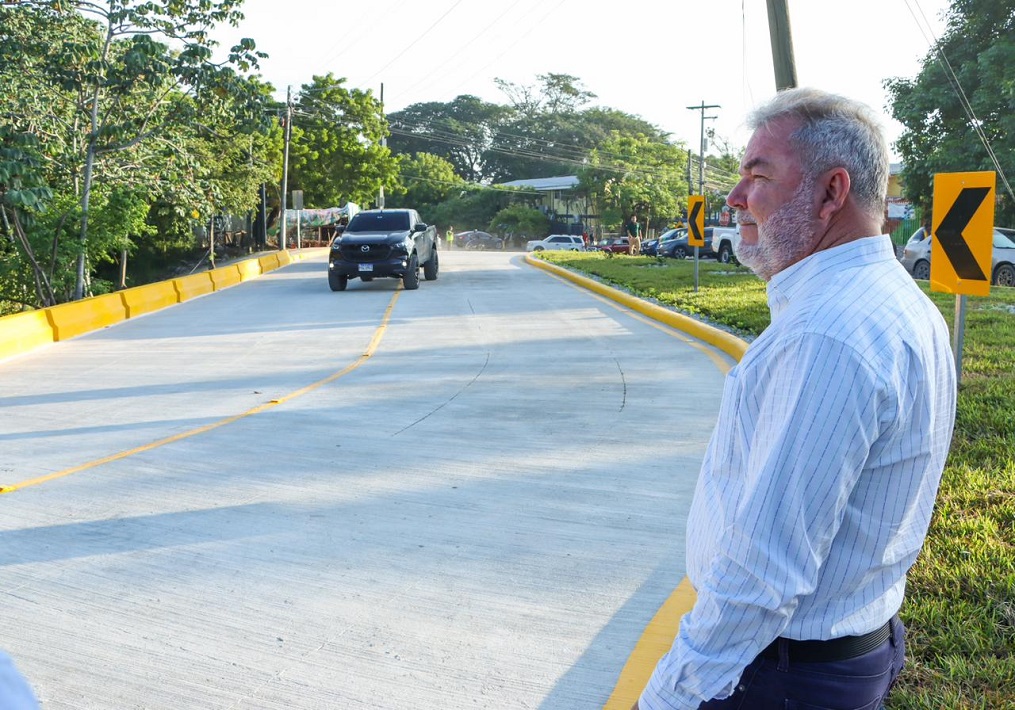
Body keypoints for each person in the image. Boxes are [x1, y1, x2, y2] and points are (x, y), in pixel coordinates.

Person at [634, 88, 957, 710]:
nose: (733, 198)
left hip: (776, 676)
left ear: (832, 192)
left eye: (757, 175)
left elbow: (762, 569)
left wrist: (672, 694)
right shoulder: (890, 300)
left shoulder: (826, 334)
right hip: (841, 654)